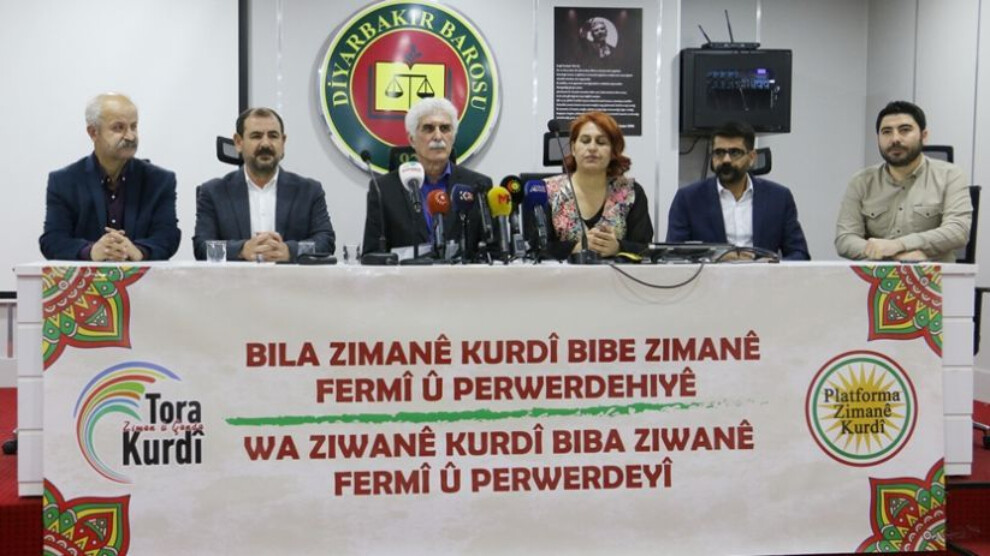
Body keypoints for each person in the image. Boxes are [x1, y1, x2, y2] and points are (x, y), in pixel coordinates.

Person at [40, 93, 180, 261]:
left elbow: (168, 236)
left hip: (143, 277)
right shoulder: (64, 182)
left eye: (134, 126)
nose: (130, 136)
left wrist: (139, 251)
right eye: (118, 128)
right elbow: (53, 240)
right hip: (87, 278)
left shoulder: (159, 181)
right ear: (93, 132)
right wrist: (91, 251)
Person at [835, 100, 971, 262]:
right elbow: (845, 238)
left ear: (924, 136)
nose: (895, 139)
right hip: (878, 276)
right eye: (886, 132)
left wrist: (899, 244)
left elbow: (958, 230)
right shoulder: (861, 182)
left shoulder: (951, 176)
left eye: (905, 130)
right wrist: (893, 254)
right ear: (878, 138)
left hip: (934, 275)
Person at [193, 107, 335, 262]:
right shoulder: (214, 192)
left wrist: (290, 251)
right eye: (256, 136)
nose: (265, 144)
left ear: (283, 142)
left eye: (273, 136)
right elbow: (201, 248)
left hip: (291, 278)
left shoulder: (309, 191)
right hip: (235, 278)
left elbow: (326, 242)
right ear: (238, 142)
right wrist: (241, 250)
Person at [362, 97, 492, 257]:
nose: (438, 136)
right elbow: (372, 255)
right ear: (412, 139)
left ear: (453, 137)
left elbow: (493, 251)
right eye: (428, 128)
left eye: (445, 128)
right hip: (406, 273)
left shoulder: (477, 186)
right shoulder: (384, 189)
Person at [666, 121, 810, 261]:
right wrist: (716, 257)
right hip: (711, 276)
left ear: (752, 157)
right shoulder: (689, 199)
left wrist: (771, 265)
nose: (726, 160)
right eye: (719, 153)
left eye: (735, 152)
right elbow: (672, 255)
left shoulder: (778, 198)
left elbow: (799, 254)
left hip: (764, 276)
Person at [542, 111, 653, 260]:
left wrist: (618, 247)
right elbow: (535, 249)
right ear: (573, 148)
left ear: (613, 152)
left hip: (617, 275)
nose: (592, 148)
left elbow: (646, 248)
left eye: (601, 142)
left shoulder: (631, 193)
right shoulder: (546, 191)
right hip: (561, 275)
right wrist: (575, 248)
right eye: (585, 141)